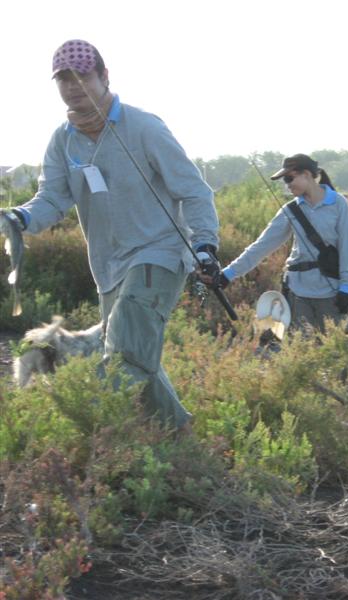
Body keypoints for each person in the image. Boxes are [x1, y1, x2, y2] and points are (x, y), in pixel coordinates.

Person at [3, 40, 219, 431]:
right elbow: (51, 198)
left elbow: (194, 190)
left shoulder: (144, 127)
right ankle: (180, 439)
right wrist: (20, 218)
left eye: (82, 75)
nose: (73, 85)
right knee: (137, 358)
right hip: (107, 267)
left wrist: (205, 246)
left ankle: (88, 433)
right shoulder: (62, 140)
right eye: (64, 79)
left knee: (124, 355)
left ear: (104, 76)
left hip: (159, 255)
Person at [216, 154, 348, 332]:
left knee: (333, 352)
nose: (287, 185)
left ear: (306, 175)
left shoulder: (339, 204)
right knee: (300, 351)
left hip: (330, 293)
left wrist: (347, 286)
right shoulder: (290, 210)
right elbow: (262, 245)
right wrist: (228, 274)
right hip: (296, 293)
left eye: (289, 178)